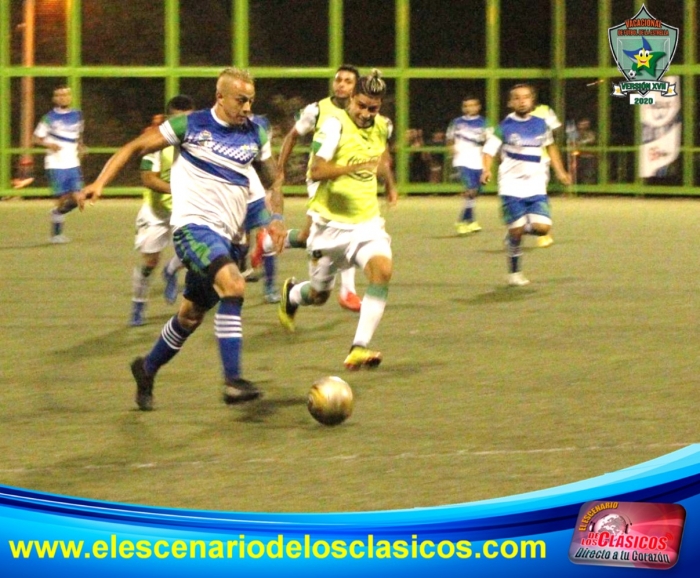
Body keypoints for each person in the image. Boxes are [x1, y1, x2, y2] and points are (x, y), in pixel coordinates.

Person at [81, 67, 285, 411]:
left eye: (251, 100)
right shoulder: (190, 125)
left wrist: (274, 217)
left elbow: (272, 179)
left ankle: (146, 369)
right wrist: (99, 183)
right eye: (241, 100)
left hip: (231, 238)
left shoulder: (256, 132)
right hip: (195, 229)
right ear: (220, 97)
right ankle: (233, 381)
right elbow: (134, 146)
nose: (248, 107)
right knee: (234, 285)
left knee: (190, 316)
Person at [278, 69, 398, 370]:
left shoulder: (382, 126)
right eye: (361, 106)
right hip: (328, 228)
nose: (366, 113)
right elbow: (317, 171)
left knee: (382, 271)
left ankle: (359, 347)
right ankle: (292, 295)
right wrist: (354, 167)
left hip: (366, 224)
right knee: (318, 295)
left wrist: (390, 184)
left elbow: (382, 156)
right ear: (352, 98)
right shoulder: (334, 126)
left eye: (373, 108)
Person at [274, 65, 364, 313]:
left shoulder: (361, 113)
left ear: (356, 87)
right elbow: (292, 136)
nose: (342, 84)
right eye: (339, 80)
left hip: (346, 182)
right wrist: (280, 168)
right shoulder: (316, 110)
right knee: (344, 226)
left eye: (348, 81)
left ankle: (269, 242)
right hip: (319, 181)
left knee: (308, 236)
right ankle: (347, 291)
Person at [481, 83, 571, 286]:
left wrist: (560, 171)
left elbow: (551, 147)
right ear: (510, 103)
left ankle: (514, 231)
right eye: (517, 98)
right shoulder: (504, 126)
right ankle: (514, 273)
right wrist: (486, 169)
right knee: (517, 231)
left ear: (532, 100)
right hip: (511, 185)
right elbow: (488, 151)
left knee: (543, 228)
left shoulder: (541, 124)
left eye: (526, 97)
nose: (522, 101)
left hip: (536, 185)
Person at [130, 95, 195, 327]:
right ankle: (138, 303)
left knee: (196, 253)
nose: (182, 125)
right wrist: (177, 190)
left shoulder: (199, 140)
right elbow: (148, 179)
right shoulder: (157, 142)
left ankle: (171, 270)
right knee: (149, 263)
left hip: (185, 210)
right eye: (178, 120)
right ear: (168, 119)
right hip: (157, 212)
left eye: (187, 120)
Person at [33, 84, 86, 244]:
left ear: (70, 97)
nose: (63, 98)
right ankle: (56, 234)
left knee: (79, 198)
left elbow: (78, 135)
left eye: (66, 94)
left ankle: (57, 213)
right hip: (55, 164)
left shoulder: (77, 114)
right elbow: (35, 138)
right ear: (54, 99)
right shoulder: (49, 117)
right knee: (62, 198)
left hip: (73, 163)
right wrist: (49, 144)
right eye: (59, 95)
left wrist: (81, 146)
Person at [446, 96, 492, 235]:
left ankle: (471, 221)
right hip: (462, 161)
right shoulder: (457, 122)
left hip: (478, 161)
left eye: (472, 105)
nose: (469, 108)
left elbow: (491, 140)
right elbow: (449, 138)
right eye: (466, 106)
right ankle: (461, 221)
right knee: (471, 190)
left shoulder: (485, 122)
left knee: (476, 191)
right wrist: (452, 150)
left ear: (478, 107)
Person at [531, 100, 564, 248]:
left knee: (539, 196)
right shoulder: (511, 120)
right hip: (519, 166)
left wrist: (560, 171)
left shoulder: (544, 110)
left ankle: (543, 233)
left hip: (540, 162)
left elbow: (555, 129)